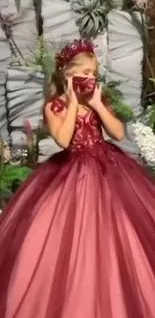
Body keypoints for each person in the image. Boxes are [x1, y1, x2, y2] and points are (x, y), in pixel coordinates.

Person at [0, 39, 155, 318]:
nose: (90, 78)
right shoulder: (54, 106)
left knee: (118, 229)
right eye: (84, 73)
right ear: (68, 74)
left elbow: (118, 133)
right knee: (71, 233)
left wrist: (97, 104)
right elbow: (62, 138)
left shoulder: (97, 100)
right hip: (72, 172)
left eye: (94, 73)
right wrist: (72, 102)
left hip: (108, 167)